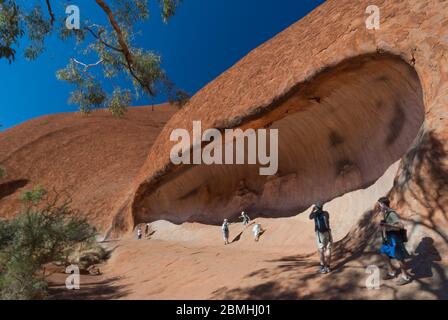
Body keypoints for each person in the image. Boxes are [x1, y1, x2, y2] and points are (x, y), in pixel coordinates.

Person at [377, 197, 411, 286]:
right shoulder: (385, 213)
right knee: (383, 252)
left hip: (394, 238)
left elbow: (401, 225)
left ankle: (405, 277)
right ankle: (391, 272)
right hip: (388, 238)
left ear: (383, 204)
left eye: (380, 204)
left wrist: (386, 224)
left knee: (399, 258)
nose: (379, 206)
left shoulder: (391, 213)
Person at [309, 202, 333, 274]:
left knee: (321, 250)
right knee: (328, 249)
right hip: (328, 233)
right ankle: (328, 267)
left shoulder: (315, 214)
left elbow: (310, 217)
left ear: (316, 207)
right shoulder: (326, 213)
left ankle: (322, 267)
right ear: (322, 207)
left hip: (320, 234)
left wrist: (313, 210)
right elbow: (327, 219)